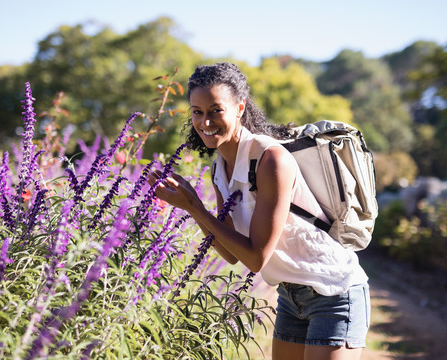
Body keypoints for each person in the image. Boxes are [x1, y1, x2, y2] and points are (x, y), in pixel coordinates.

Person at [148, 62, 370, 360]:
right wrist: (190, 205)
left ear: (239, 108)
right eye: (197, 111)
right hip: (291, 296)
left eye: (216, 110)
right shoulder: (219, 168)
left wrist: (194, 206)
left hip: (334, 292)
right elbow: (229, 253)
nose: (205, 122)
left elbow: (255, 258)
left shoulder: (270, 159)